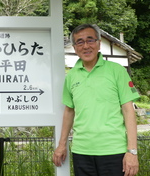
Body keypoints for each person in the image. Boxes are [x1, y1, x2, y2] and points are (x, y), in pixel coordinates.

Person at [53, 24, 140, 176]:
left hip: (114, 151)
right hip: (81, 151)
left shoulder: (117, 70)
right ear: (74, 47)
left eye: (90, 40)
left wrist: (132, 151)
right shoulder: (72, 76)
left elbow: (128, 110)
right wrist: (62, 145)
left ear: (99, 43)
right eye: (80, 42)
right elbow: (69, 111)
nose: (85, 46)